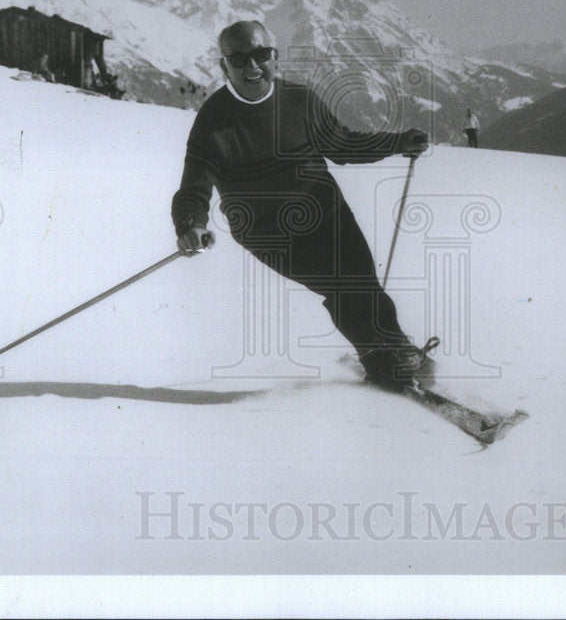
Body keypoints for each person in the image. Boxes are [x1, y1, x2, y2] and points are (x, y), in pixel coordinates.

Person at [172, 20, 435, 391]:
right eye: (239, 59)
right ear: (223, 66)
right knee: (341, 284)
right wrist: (190, 223)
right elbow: (194, 185)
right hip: (265, 228)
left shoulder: (299, 99)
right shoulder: (213, 122)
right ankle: (394, 355)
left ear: (275, 57)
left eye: (261, 55)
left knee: (361, 281)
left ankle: (385, 359)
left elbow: (342, 145)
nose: (252, 67)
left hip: (325, 208)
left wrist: (398, 143)